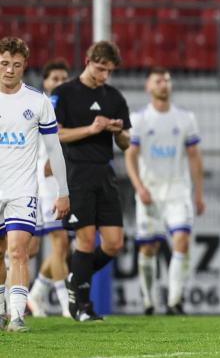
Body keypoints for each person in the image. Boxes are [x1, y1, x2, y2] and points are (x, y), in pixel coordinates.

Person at [53, 41, 131, 322]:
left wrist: (118, 131)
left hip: (105, 172)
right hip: (77, 171)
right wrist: (92, 128)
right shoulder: (64, 94)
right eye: (100, 69)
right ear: (87, 60)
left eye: (109, 71)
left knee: (114, 243)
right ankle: (82, 307)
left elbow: (126, 143)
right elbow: (56, 135)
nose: (104, 76)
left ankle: (75, 276)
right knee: (85, 240)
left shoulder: (114, 97)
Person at [0, 37, 70, 332]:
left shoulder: (37, 102)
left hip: (22, 190)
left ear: (24, 66)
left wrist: (63, 192)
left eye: (16, 65)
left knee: (18, 251)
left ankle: (17, 316)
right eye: (4, 63)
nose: (9, 70)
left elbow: (54, 150)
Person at [125, 68, 206, 316]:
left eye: (167, 81)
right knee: (148, 248)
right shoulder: (139, 119)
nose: (163, 85)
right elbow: (130, 154)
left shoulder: (185, 118)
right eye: (158, 81)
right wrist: (139, 186)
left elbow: (194, 157)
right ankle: (149, 301)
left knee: (181, 240)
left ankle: (174, 301)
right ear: (148, 87)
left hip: (178, 190)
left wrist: (198, 192)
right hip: (150, 190)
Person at [26, 59, 73, 318]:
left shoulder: (68, 105)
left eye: (64, 78)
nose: (59, 83)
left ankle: (35, 294)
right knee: (56, 241)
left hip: (60, 179)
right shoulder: (47, 104)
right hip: (45, 181)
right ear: (45, 82)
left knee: (43, 246)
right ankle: (67, 305)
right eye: (54, 78)